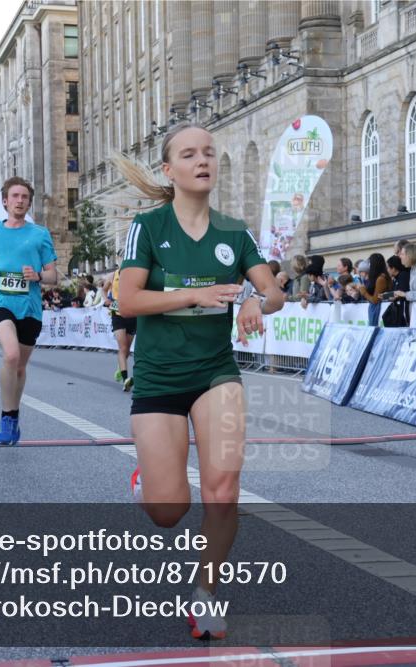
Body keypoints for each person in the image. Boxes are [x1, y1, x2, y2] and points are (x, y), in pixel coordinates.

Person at [114, 122, 284, 640]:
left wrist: (257, 299)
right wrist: (194, 295)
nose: (202, 160)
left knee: (224, 489)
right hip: (160, 376)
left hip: (216, 373)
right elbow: (128, 301)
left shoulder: (234, 232)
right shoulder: (148, 227)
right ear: (170, 170)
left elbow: (274, 292)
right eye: (189, 154)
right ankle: (149, 480)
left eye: (208, 152)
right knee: (170, 510)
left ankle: (205, 593)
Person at [0, 176, 58, 444]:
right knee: (10, 355)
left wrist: (37, 275)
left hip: (29, 307)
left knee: (20, 366)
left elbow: (52, 275)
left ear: (29, 203)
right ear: (5, 201)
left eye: (24, 197)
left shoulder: (39, 234)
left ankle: (14, 414)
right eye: (15, 196)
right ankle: (6, 416)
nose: (20, 201)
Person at [108, 264, 137, 392]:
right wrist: (107, 301)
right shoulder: (112, 275)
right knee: (123, 347)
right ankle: (126, 379)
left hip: (131, 314)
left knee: (126, 350)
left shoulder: (134, 274)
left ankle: (121, 367)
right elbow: (103, 290)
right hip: (117, 314)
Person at [358, 253, 390, 326]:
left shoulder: (381, 278)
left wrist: (364, 292)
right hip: (376, 308)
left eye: (369, 263)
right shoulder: (377, 277)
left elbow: (375, 300)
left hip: (378, 310)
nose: (368, 266)